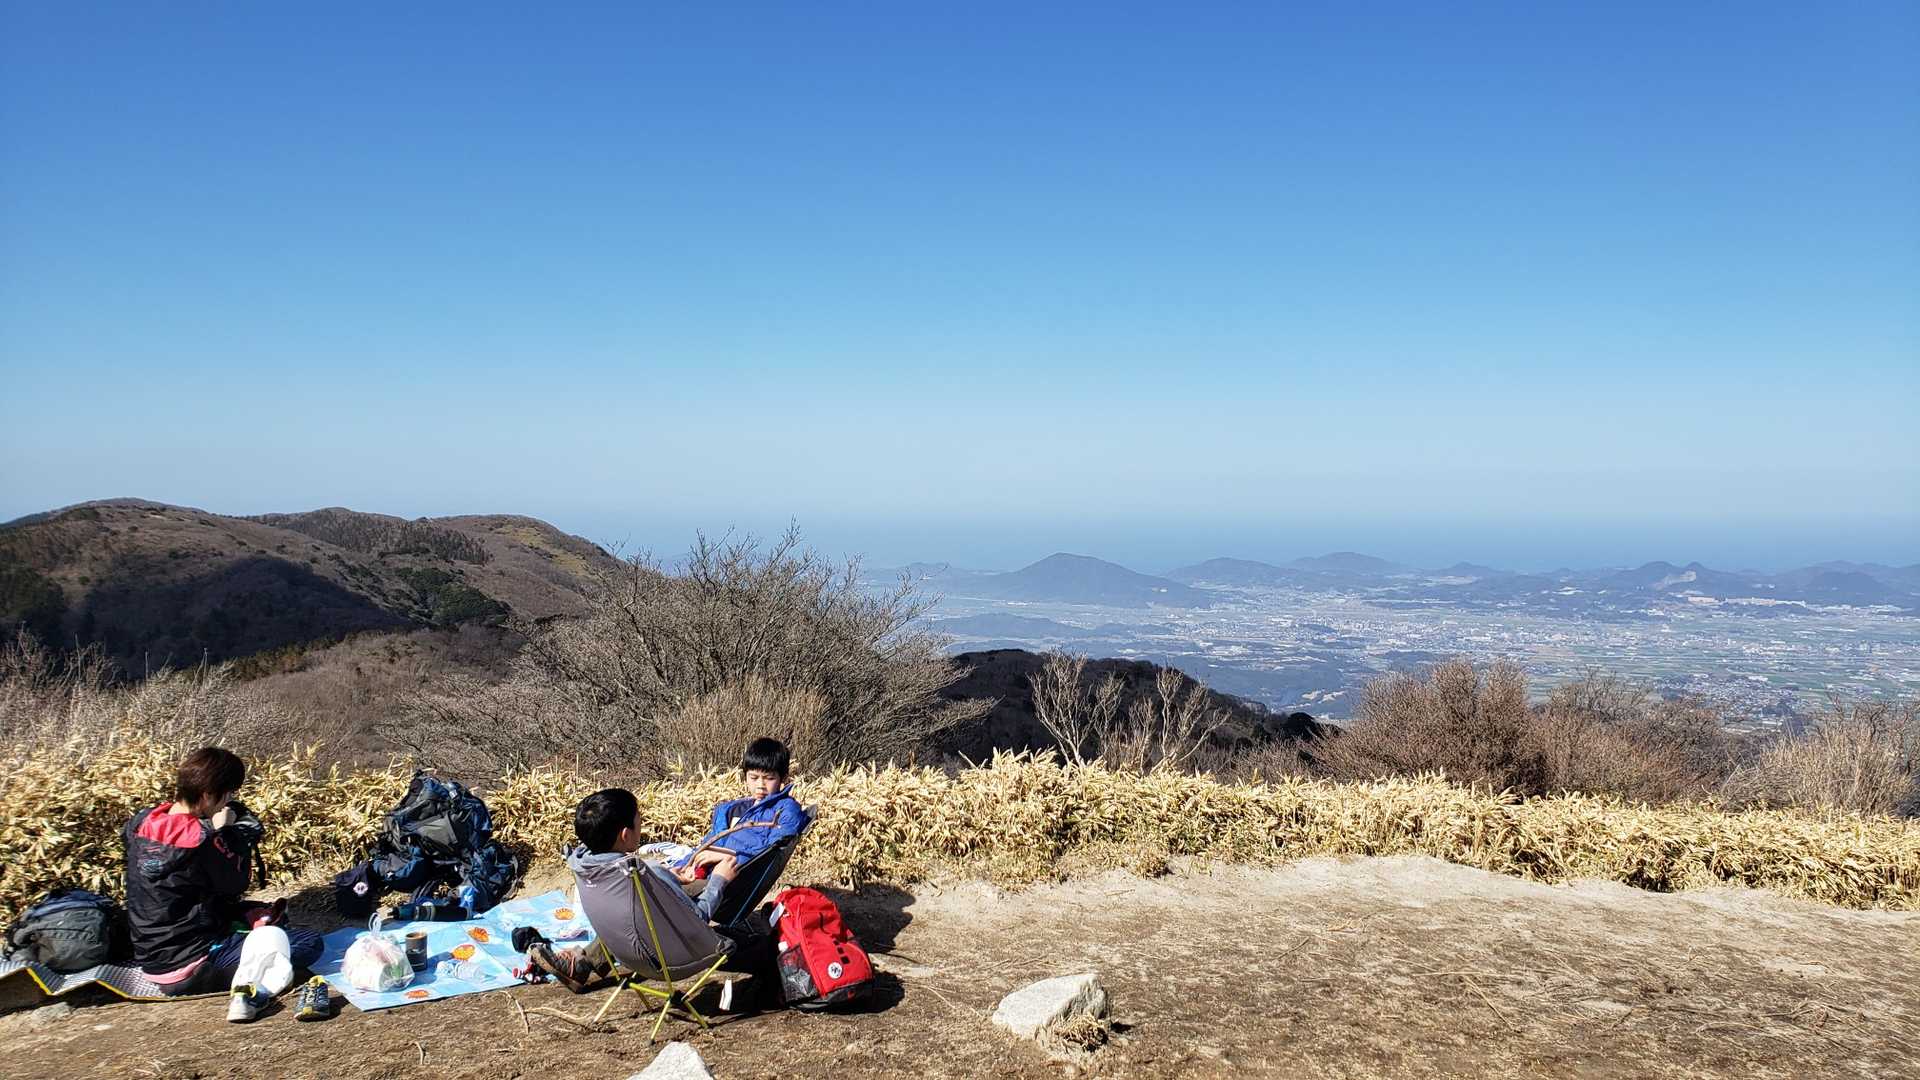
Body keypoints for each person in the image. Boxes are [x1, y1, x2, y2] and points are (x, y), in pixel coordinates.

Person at [123, 747, 324, 1020]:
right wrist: (226, 832)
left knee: (256, 915)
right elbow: (235, 884)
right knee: (309, 942)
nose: (229, 800)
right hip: (192, 966)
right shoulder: (203, 840)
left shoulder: (141, 823)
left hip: (152, 957)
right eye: (228, 793)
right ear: (208, 795)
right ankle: (250, 991)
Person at [670, 737, 810, 913]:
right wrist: (685, 866)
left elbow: (768, 855)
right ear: (745, 776)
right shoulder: (735, 809)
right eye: (754, 777)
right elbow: (708, 844)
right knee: (657, 878)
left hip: (727, 885)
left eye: (769, 778)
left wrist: (724, 857)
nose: (760, 785)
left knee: (660, 892)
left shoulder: (786, 811)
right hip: (703, 874)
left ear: (783, 778)